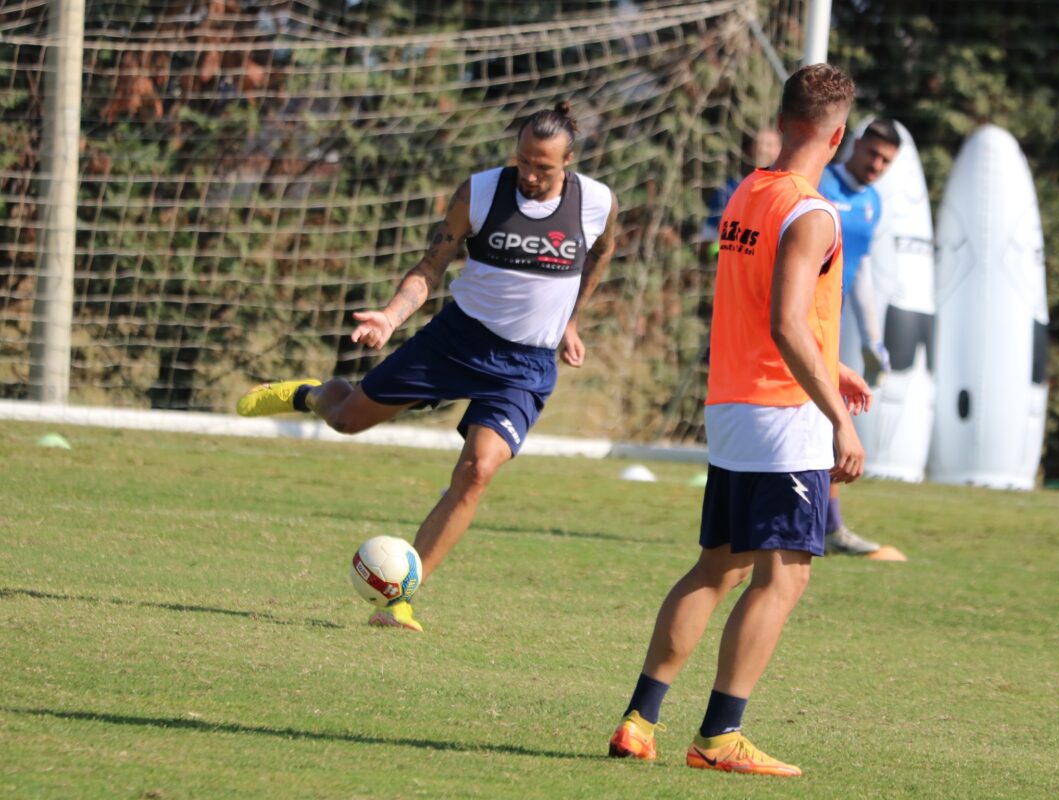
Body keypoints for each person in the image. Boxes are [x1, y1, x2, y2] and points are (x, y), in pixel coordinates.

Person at [236, 101, 618, 631]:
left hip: (524, 365)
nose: (530, 175)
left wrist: (570, 321)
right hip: (457, 341)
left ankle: (400, 600)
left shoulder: (596, 201)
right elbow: (432, 265)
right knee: (346, 419)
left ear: (568, 161)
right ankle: (309, 394)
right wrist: (391, 317)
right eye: (524, 161)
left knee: (477, 471)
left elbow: (601, 254)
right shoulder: (480, 192)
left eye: (544, 167)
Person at [607, 63, 870, 777]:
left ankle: (639, 720)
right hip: (784, 413)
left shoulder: (748, 193)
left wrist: (833, 362)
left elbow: (769, 308)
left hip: (731, 404)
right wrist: (840, 420)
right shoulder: (814, 213)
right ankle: (720, 736)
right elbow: (785, 322)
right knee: (783, 579)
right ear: (839, 137)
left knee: (717, 566)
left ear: (782, 121)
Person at [817, 118, 901, 556]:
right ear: (856, 143)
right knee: (819, 416)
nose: (876, 166)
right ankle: (824, 526)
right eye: (873, 154)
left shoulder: (871, 202)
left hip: (830, 322)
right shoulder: (820, 182)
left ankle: (828, 526)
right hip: (798, 317)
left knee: (826, 416)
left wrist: (872, 339)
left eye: (886, 161)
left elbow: (861, 269)